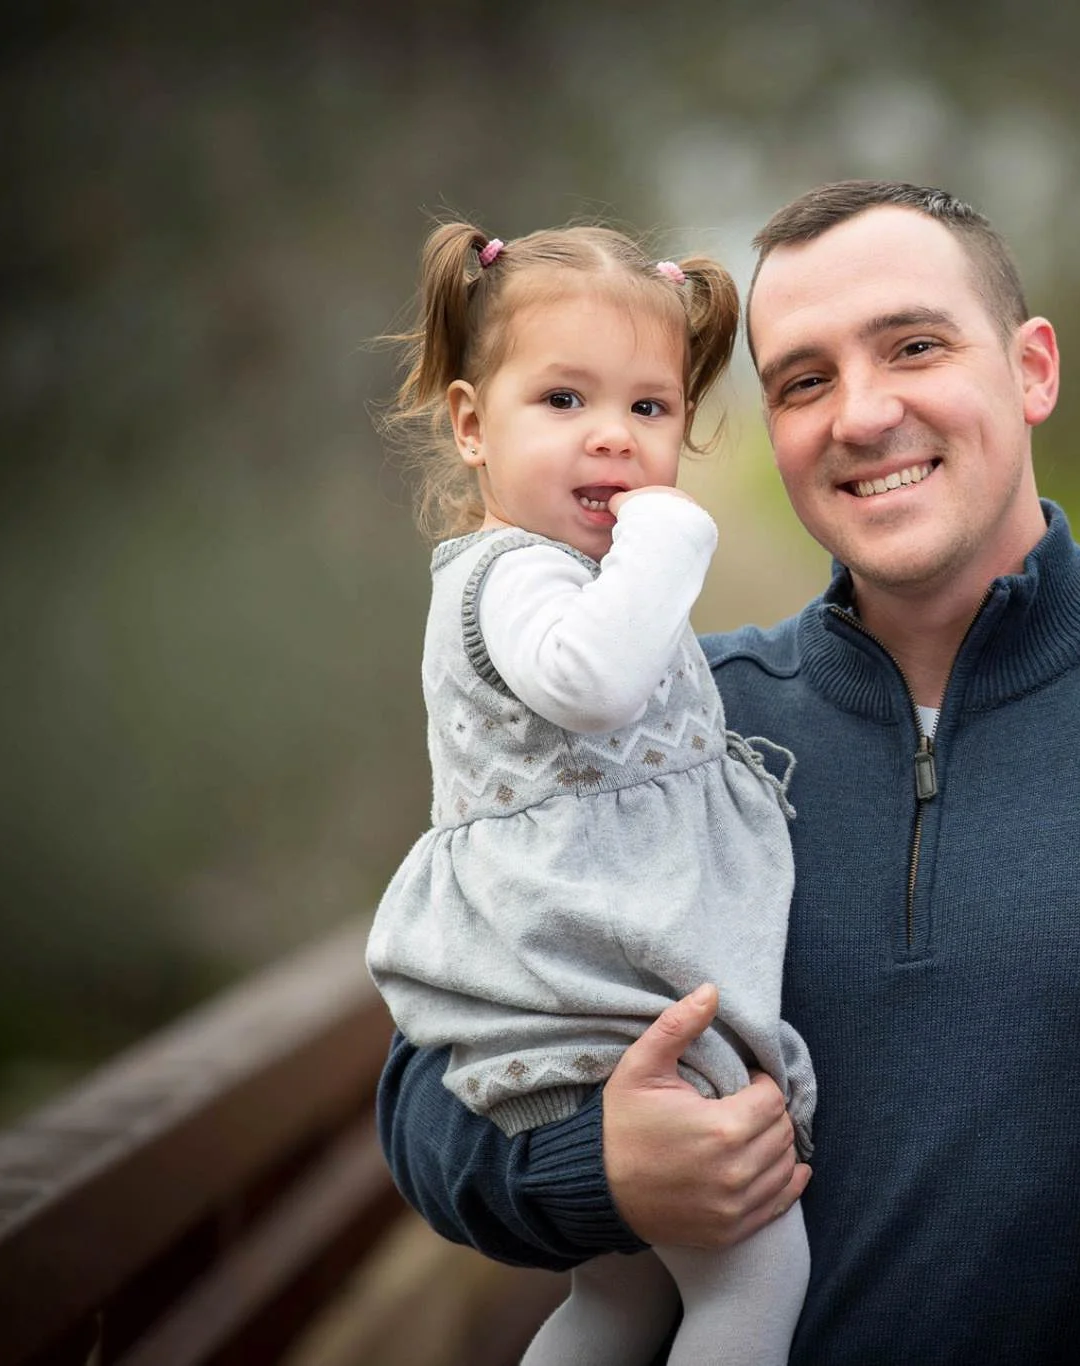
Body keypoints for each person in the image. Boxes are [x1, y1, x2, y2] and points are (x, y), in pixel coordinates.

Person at [375, 183, 1080, 1363]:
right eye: (803, 381)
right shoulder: (672, 737)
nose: (863, 415)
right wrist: (595, 1168)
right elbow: (426, 1089)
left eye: (914, 346)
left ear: (1030, 370)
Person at [365, 220, 814, 1366]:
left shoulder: (572, 577)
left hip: (601, 987)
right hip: (588, 995)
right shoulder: (509, 573)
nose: (612, 439)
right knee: (761, 1270)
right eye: (563, 402)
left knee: (619, 1300)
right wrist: (668, 531)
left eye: (649, 410)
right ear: (471, 424)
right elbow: (597, 682)